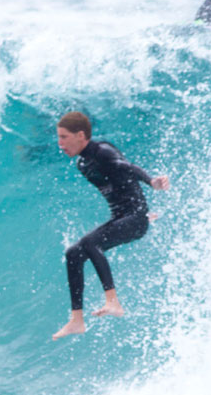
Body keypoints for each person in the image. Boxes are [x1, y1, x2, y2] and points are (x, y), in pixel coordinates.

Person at [52, 112, 168, 339]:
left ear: (81, 135)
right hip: (123, 218)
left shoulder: (103, 152)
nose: (60, 143)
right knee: (73, 252)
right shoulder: (83, 164)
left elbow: (128, 168)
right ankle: (76, 320)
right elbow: (120, 188)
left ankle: (112, 301)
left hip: (135, 218)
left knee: (89, 242)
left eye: (64, 137)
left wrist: (151, 182)